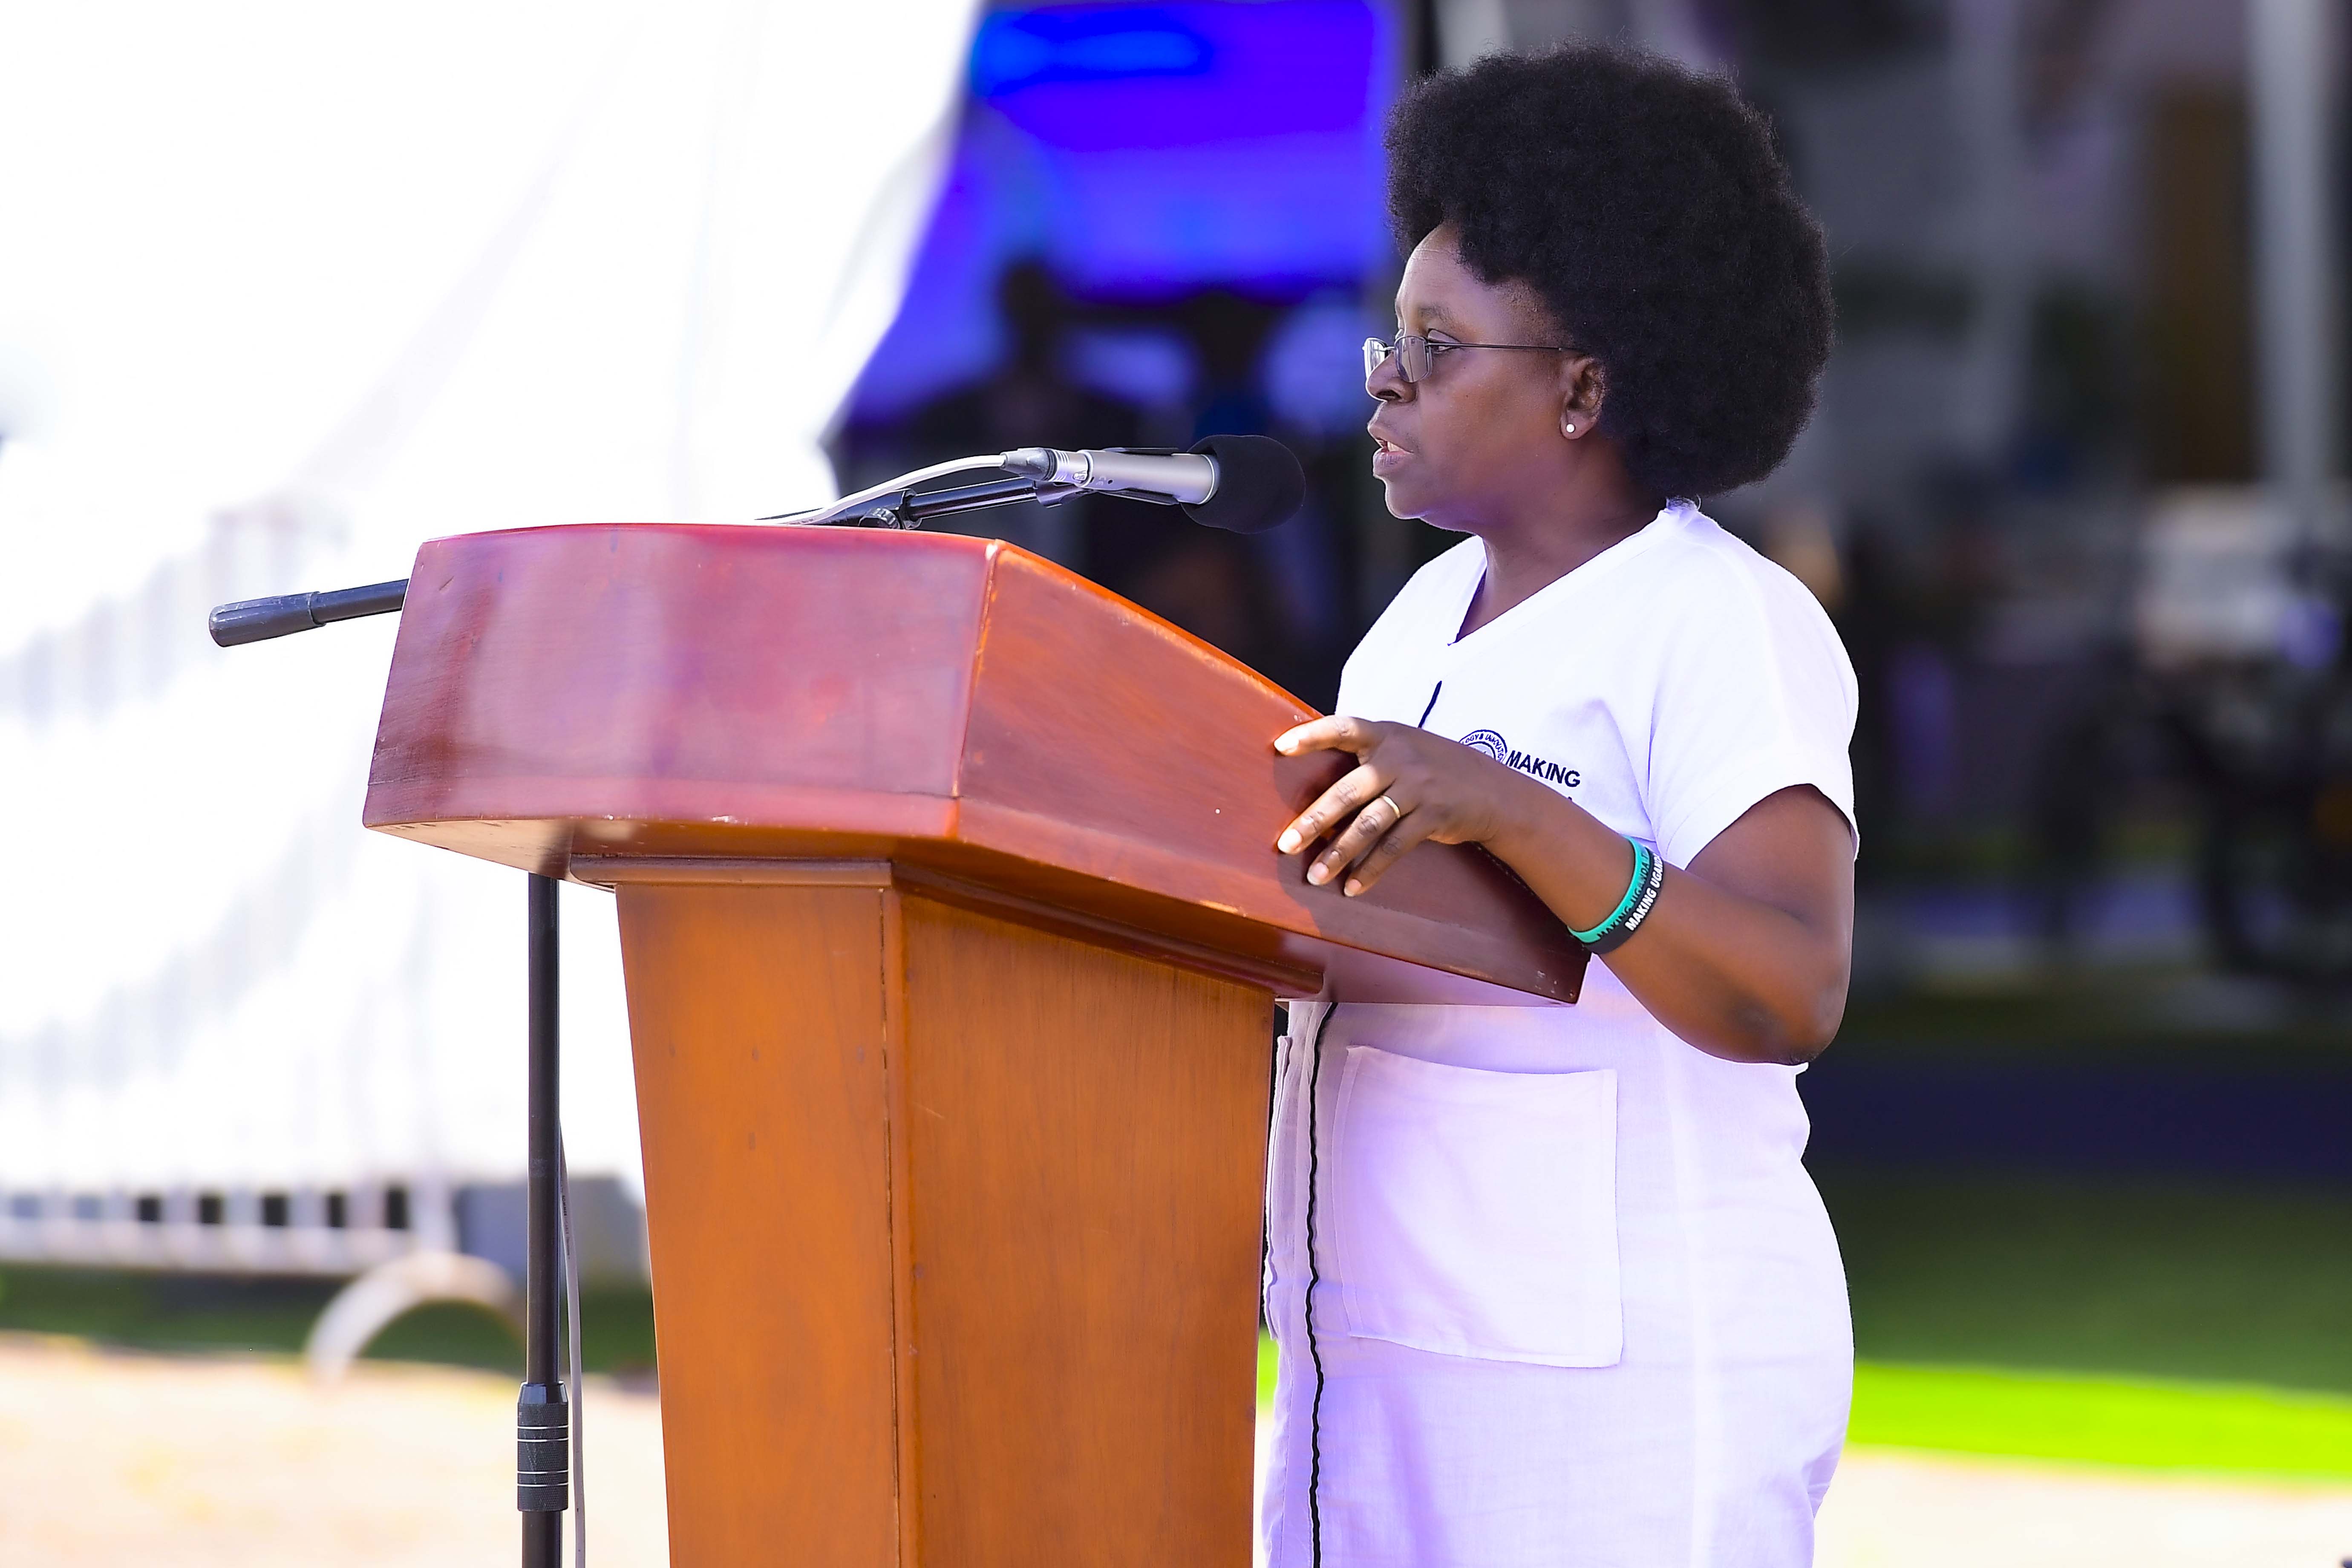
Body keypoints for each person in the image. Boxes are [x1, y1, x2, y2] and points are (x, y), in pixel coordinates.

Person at [1259, 44, 1853, 1568]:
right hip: (1377, 1378)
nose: (1384, 379)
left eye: (1437, 345)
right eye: (1389, 338)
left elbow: (1790, 988)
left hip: (1622, 1408)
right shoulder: (1411, 628)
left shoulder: (1719, 619)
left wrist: (1520, 815)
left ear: (1584, 384)